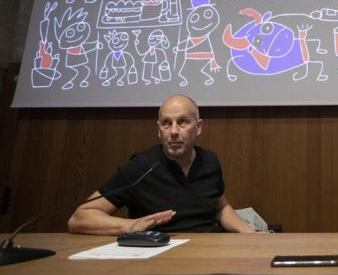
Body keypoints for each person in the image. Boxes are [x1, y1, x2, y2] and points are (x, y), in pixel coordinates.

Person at [68, 95, 257, 234]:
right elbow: (79, 218)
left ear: (198, 127)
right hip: (161, 254)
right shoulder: (142, 167)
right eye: (166, 123)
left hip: (210, 251)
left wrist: (250, 234)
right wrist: (129, 226)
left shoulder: (210, 160)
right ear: (159, 130)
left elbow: (220, 208)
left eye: (182, 122)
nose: (174, 131)